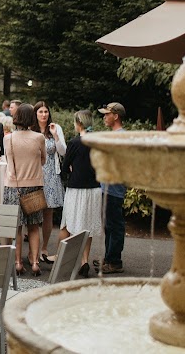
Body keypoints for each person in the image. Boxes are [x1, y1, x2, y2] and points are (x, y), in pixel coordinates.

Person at [3, 103, 47, 276]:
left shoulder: (8, 138)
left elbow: (8, 160)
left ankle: (18, 262)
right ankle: (35, 263)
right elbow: (43, 160)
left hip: (14, 187)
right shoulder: (39, 138)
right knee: (34, 226)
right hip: (34, 185)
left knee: (17, 227)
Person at [57, 110, 101, 278]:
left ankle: (69, 261)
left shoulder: (74, 143)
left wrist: (69, 169)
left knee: (72, 224)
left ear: (79, 123)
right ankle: (84, 261)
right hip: (94, 189)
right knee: (87, 226)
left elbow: (64, 168)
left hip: (76, 189)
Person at [32, 101, 67, 264]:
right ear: (35, 114)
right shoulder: (30, 129)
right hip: (34, 175)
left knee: (48, 214)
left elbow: (63, 151)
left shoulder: (55, 128)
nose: (44, 114)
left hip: (51, 175)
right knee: (31, 213)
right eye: (40, 112)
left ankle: (44, 247)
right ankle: (33, 250)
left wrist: (55, 136)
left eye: (46, 111)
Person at [98, 102, 127, 274]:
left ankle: (115, 262)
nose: (104, 117)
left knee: (115, 225)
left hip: (114, 188)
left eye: (107, 114)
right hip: (107, 187)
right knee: (109, 224)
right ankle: (109, 258)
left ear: (115, 116)